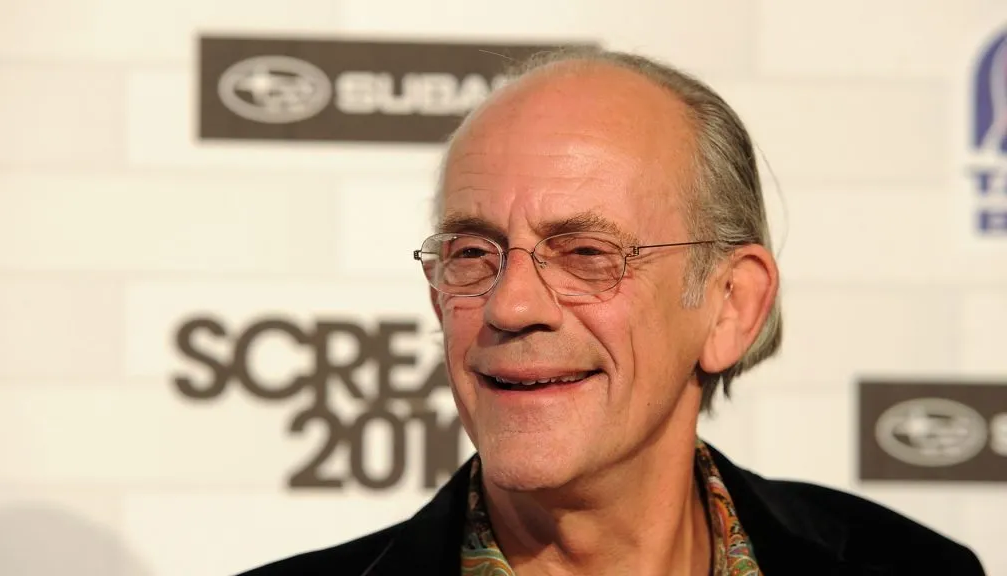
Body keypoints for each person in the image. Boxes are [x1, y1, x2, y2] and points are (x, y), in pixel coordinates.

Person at [239, 47, 986, 576]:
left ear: (730, 305)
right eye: (472, 252)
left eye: (587, 253)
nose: (512, 304)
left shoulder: (911, 566)